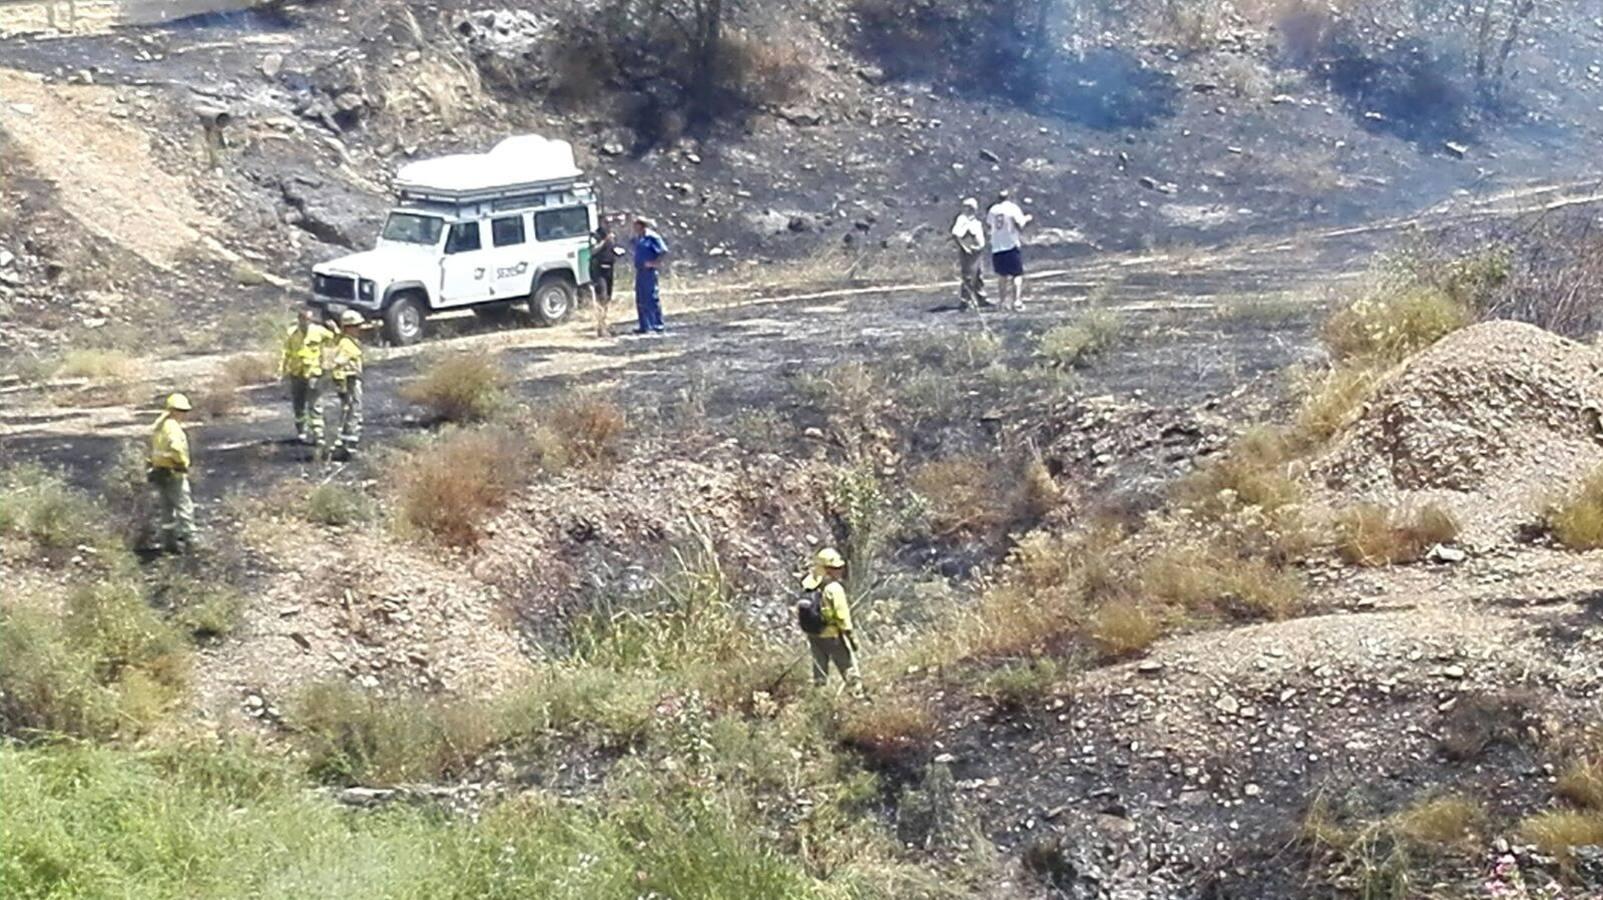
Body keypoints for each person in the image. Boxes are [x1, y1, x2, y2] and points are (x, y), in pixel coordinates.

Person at [797, 547, 864, 696]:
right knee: (849, 669)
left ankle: (818, 702)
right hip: (832, 636)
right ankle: (858, 698)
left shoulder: (808, 583)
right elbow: (843, 617)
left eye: (840, 567)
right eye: (835, 568)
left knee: (819, 673)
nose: (839, 571)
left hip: (813, 635)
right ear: (826, 569)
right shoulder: (834, 588)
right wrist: (852, 639)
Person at [279, 307, 334, 446]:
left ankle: (318, 434)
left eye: (309, 319)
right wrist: (283, 371)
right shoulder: (292, 334)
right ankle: (301, 431)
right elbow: (286, 352)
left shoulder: (318, 331)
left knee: (315, 404)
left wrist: (335, 329)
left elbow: (333, 340)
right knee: (298, 404)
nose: (306, 322)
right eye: (304, 319)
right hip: (297, 373)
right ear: (299, 319)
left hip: (313, 373)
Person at [148, 393, 195, 554]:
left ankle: (169, 543)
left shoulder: (159, 426)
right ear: (174, 411)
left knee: (166, 508)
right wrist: (181, 463)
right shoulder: (173, 428)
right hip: (174, 472)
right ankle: (191, 541)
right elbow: (175, 448)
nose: (184, 414)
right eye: (182, 411)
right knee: (184, 506)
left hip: (160, 472)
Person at [986, 190, 1032, 311]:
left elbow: (989, 224)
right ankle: (1016, 301)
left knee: (1002, 276)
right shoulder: (1012, 208)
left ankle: (1002, 302)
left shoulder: (993, 209)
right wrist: (1027, 219)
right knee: (1017, 275)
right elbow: (1019, 224)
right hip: (1011, 244)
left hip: (997, 246)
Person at [330, 309, 365, 459]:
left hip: (352, 380)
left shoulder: (346, 340)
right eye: (356, 326)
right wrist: (341, 386)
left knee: (351, 412)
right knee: (353, 412)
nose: (359, 329)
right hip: (349, 381)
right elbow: (335, 364)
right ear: (348, 328)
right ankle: (349, 449)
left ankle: (346, 446)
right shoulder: (345, 344)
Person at [631, 216, 668, 335]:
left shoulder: (652, 237)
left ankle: (657, 324)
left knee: (652, 297)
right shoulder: (638, 238)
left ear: (642, 225)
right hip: (640, 271)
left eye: (636, 225)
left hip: (649, 272)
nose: (634, 228)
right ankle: (644, 325)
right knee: (640, 298)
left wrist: (654, 263)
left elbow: (663, 251)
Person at [950, 197, 988, 310]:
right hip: (970, 253)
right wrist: (965, 247)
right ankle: (966, 301)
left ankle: (981, 298)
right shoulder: (963, 219)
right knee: (968, 277)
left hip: (978, 252)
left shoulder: (974, 220)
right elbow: (956, 234)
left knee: (979, 275)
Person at [589, 226, 619, 338]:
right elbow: (593, 251)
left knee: (608, 298)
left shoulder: (611, 241)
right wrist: (604, 241)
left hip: (609, 270)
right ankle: (601, 327)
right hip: (599, 272)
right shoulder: (595, 240)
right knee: (602, 297)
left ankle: (605, 324)